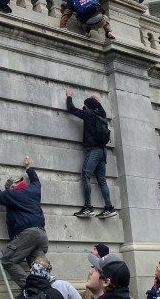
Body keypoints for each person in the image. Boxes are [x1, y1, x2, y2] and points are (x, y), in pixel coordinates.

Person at [0, 156, 48, 290]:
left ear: (12, 187)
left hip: (28, 234)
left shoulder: (12, 194)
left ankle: (31, 291)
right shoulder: (34, 190)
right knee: (40, 267)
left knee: (7, 260)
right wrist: (29, 167)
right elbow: (36, 181)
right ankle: (46, 292)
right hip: (42, 235)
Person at [65, 88, 117, 219]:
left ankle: (88, 207)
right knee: (102, 180)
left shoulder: (88, 115)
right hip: (103, 152)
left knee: (85, 177)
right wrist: (97, 101)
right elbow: (102, 110)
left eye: (85, 106)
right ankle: (109, 208)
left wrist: (69, 96)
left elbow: (71, 109)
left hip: (93, 151)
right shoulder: (101, 115)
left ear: (87, 107)